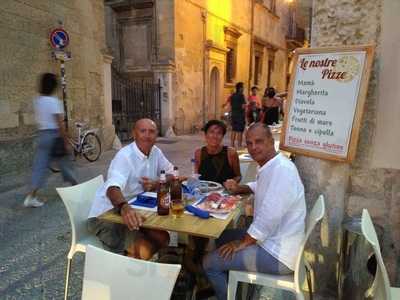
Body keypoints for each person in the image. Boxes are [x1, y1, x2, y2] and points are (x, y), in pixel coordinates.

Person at [202, 123, 306, 300]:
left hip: (278, 254)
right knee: (222, 236)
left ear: (271, 142)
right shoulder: (273, 165)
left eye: (259, 141)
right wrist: (240, 188)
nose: (253, 147)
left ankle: (224, 293)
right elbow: (261, 186)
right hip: (275, 239)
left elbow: (267, 219)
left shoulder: (282, 171)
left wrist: (242, 243)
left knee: (209, 262)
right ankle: (230, 286)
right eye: (249, 143)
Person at [87, 119, 171, 259]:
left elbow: (172, 172)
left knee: (162, 236)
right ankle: (125, 269)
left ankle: (140, 266)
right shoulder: (124, 156)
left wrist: (157, 183)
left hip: (135, 210)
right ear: (134, 134)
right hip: (106, 215)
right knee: (146, 246)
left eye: (151, 132)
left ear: (156, 134)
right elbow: (112, 187)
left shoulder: (155, 152)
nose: (147, 135)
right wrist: (124, 207)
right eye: (142, 131)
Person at [24, 73, 77, 208]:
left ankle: (31, 196)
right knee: (65, 163)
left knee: (40, 167)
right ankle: (75, 188)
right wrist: (66, 141)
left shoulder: (38, 100)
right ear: (53, 86)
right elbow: (59, 123)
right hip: (54, 136)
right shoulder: (53, 101)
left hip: (42, 135)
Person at [194, 120, 241, 185]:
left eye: (219, 133)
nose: (215, 136)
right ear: (205, 135)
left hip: (225, 193)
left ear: (222, 136)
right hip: (204, 192)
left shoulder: (231, 153)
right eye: (211, 132)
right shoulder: (199, 153)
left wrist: (232, 182)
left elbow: (238, 176)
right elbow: (196, 176)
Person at [229, 82, 246, 148]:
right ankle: (239, 145)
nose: (243, 89)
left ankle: (232, 145)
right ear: (240, 88)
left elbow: (231, 105)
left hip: (234, 114)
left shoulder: (232, 95)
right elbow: (243, 106)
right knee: (239, 131)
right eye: (243, 87)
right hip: (240, 115)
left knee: (233, 130)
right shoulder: (241, 95)